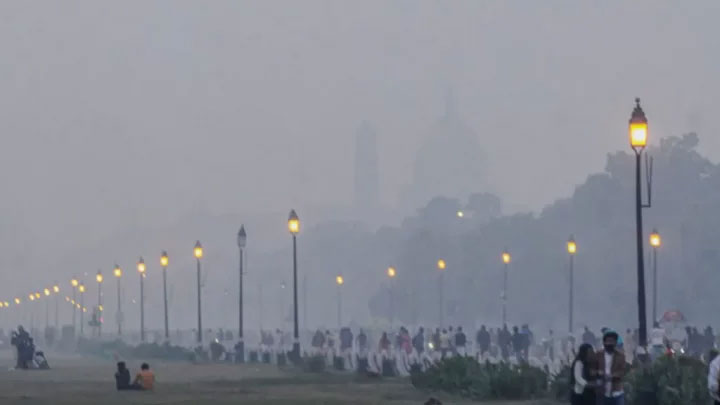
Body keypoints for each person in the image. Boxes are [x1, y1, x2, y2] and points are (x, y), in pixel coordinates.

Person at [596, 330, 626, 405]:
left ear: (615, 343)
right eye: (608, 341)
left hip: (617, 390)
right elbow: (593, 369)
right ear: (604, 342)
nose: (610, 343)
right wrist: (599, 373)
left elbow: (622, 371)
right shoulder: (598, 355)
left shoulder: (621, 356)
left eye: (612, 341)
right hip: (601, 390)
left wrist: (612, 376)